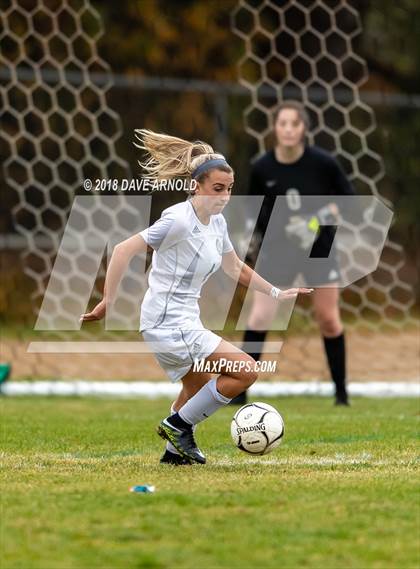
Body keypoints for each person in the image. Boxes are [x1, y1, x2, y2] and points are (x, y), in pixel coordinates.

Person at [80, 129, 312, 465]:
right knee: (245, 371)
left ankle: (174, 455)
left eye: (229, 190)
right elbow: (122, 249)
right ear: (196, 187)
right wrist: (108, 301)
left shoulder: (216, 223)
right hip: (167, 322)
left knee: (196, 391)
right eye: (217, 189)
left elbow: (235, 268)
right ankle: (175, 426)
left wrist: (276, 291)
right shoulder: (177, 220)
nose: (224, 197)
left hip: (182, 320)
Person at [233, 100, 354, 407]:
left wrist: (318, 219)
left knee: (327, 318)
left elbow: (349, 200)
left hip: (318, 249)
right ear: (275, 128)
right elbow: (254, 209)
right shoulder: (262, 167)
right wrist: (264, 234)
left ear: (304, 129)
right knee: (260, 315)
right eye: (282, 123)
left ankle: (341, 394)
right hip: (277, 251)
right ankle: (239, 390)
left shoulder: (323, 163)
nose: (288, 129)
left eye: (294, 124)